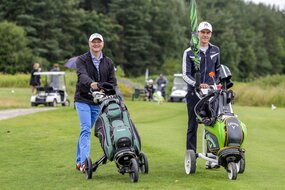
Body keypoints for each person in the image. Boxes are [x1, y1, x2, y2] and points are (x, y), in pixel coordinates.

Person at [74, 33, 118, 173]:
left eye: (99, 42)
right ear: (89, 43)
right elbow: (82, 76)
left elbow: (113, 82)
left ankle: (78, 161)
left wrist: (107, 90)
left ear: (103, 44)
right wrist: (91, 83)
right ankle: (84, 163)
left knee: (86, 131)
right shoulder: (82, 59)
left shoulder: (108, 62)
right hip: (83, 99)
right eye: (94, 42)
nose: (96, 44)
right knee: (86, 129)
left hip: (98, 101)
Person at [182, 21, 220, 168]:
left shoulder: (216, 50)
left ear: (210, 34)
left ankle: (211, 157)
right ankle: (191, 158)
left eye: (207, 32)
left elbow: (216, 72)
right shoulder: (189, 52)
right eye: (202, 32)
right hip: (193, 94)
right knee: (193, 126)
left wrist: (214, 84)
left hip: (211, 94)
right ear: (198, 33)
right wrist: (197, 84)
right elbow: (186, 74)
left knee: (212, 123)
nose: (205, 35)